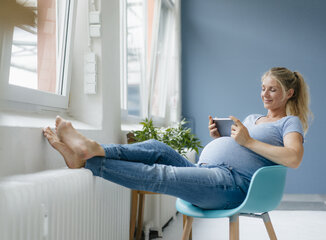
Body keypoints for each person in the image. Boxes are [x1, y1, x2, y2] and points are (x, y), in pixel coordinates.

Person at [43, 67, 312, 210]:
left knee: (161, 174)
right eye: (263, 88)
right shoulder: (254, 118)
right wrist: (222, 139)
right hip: (208, 172)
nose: (265, 94)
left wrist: (247, 142)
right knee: (157, 148)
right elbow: (242, 149)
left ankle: (87, 161)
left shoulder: (291, 122)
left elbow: (294, 158)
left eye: (273, 90)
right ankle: (94, 148)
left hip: (232, 187)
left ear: (289, 93)